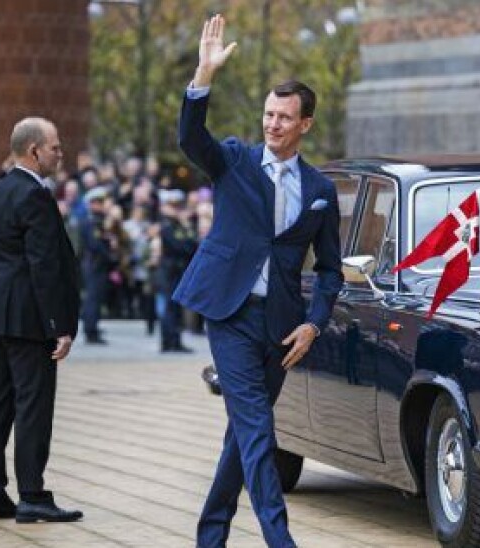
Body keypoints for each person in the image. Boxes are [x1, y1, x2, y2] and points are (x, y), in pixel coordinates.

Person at [174, 14, 343, 548]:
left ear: (305, 124)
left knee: (240, 437)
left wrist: (314, 324)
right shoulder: (234, 160)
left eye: (285, 117)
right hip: (228, 312)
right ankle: (280, 540)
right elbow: (189, 137)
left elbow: (332, 269)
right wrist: (203, 75)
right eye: (268, 114)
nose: (272, 124)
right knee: (258, 431)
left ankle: (210, 536)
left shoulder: (320, 188)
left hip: (282, 328)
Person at [0, 117, 82, 524]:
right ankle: (33, 495)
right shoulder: (35, 196)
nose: (60, 153)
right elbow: (45, 266)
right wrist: (59, 325)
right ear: (34, 150)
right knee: (33, 407)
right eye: (55, 147)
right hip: (29, 320)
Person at [157, 189, 197, 352]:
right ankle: (170, 341)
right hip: (170, 270)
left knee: (174, 307)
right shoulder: (167, 226)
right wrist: (187, 243)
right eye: (172, 206)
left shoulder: (180, 225)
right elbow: (181, 246)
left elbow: (192, 244)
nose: (177, 210)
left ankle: (174, 339)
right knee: (170, 307)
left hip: (177, 269)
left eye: (178, 206)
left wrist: (187, 231)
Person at [79, 186, 113, 344]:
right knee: (93, 298)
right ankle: (90, 330)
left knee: (97, 297)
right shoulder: (91, 221)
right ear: (92, 204)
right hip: (94, 264)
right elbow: (95, 245)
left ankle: (93, 327)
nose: (102, 205)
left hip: (98, 265)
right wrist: (109, 256)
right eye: (99, 202)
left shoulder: (98, 221)